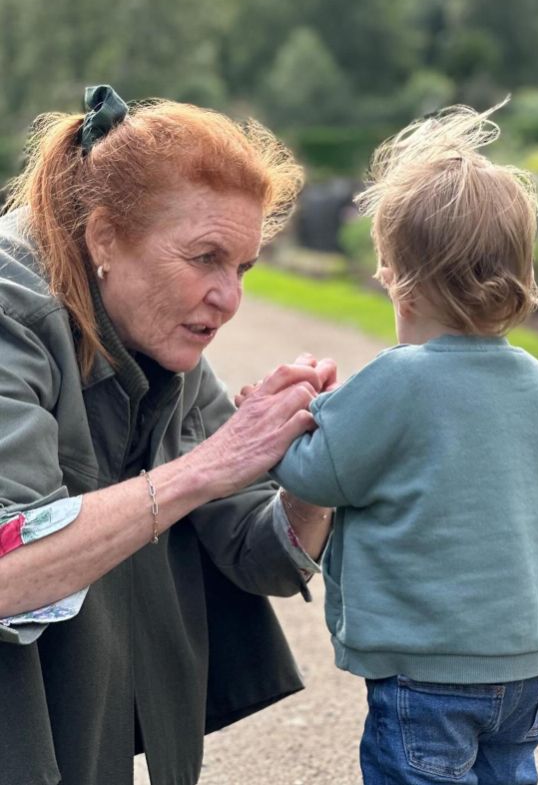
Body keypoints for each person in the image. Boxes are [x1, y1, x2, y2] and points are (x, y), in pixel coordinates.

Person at [0, 85, 335, 785]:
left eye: (241, 267)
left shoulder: (150, 326)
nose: (230, 298)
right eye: (205, 257)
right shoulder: (11, 308)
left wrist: (318, 467)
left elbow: (260, 552)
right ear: (103, 239)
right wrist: (210, 465)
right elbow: (9, 570)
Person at [266, 104, 538, 784]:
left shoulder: (400, 380)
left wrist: (289, 414)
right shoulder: (535, 381)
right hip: (523, 662)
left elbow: (316, 473)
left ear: (396, 281)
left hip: (428, 668)